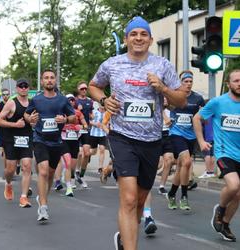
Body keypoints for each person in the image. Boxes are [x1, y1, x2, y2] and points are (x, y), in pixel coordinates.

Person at [88, 16, 186, 250]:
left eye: (143, 34)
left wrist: (162, 88)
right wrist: (103, 99)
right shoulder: (112, 64)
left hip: (152, 140)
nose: (139, 38)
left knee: (140, 201)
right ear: (126, 39)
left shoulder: (162, 65)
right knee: (129, 198)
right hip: (121, 137)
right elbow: (93, 85)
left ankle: (125, 238)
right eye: (134, 34)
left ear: (151, 39)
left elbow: (181, 100)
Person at [193, 69, 240, 242]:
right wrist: (201, 141)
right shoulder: (218, 102)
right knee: (234, 185)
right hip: (224, 152)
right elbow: (197, 118)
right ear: (229, 84)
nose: (239, 83)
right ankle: (220, 209)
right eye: (236, 81)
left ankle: (225, 224)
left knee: (238, 194)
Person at [24, 69, 75, 222]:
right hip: (40, 140)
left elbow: (73, 117)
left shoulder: (62, 100)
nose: (49, 80)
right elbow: (27, 114)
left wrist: (65, 120)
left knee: (51, 174)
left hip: (56, 142)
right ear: (42, 81)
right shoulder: (36, 100)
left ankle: (43, 196)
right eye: (46, 78)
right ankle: (43, 207)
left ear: (55, 80)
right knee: (44, 171)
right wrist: (30, 119)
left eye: (52, 78)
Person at [166, 70, 204, 211]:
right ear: (180, 82)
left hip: (191, 136)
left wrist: (202, 116)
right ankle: (184, 197)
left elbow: (202, 118)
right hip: (176, 133)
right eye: (185, 81)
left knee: (182, 167)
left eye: (190, 82)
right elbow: (163, 107)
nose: (188, 84)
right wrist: (166, 119)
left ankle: (171, 194)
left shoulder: (198, 98)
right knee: (186, 162)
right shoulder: (174, 95)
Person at [0, 78, 33, 208]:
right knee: (10, 169)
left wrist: (34, 122)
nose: (23, 88)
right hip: (11, 140)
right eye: (21, 86)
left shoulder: (32, 103)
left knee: (27, 166)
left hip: (27, 139)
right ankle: (8, 183)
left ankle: (23, 197)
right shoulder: (11, 103)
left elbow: (35, 121)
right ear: (17, 88)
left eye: (26, 86)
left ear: (28, 88)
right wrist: (15, 125)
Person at [75, 81, 94, 188]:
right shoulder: (75, 100)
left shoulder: (89, 101)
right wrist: (77, 110)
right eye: (82, 89)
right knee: (78, 153)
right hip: (76, 129)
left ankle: (81, 174)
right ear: (78, 89)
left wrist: (92, 116)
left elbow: (91, 114)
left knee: (87, 153)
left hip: (86, 129)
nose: (84, 90)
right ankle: (75, 171)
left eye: (85, 89)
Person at [89, 103, 107, 172]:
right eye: (101, 105)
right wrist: (95, 124)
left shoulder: (107, 113)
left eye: (103, 105)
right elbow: (89, 121)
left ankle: (100, 168)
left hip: (103, 134)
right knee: (93, 152)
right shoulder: (94, 112)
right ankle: (88, 155)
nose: (102, 106)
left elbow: (109, 123)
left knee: (102, 149)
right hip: (94, 134)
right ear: (99, 105)